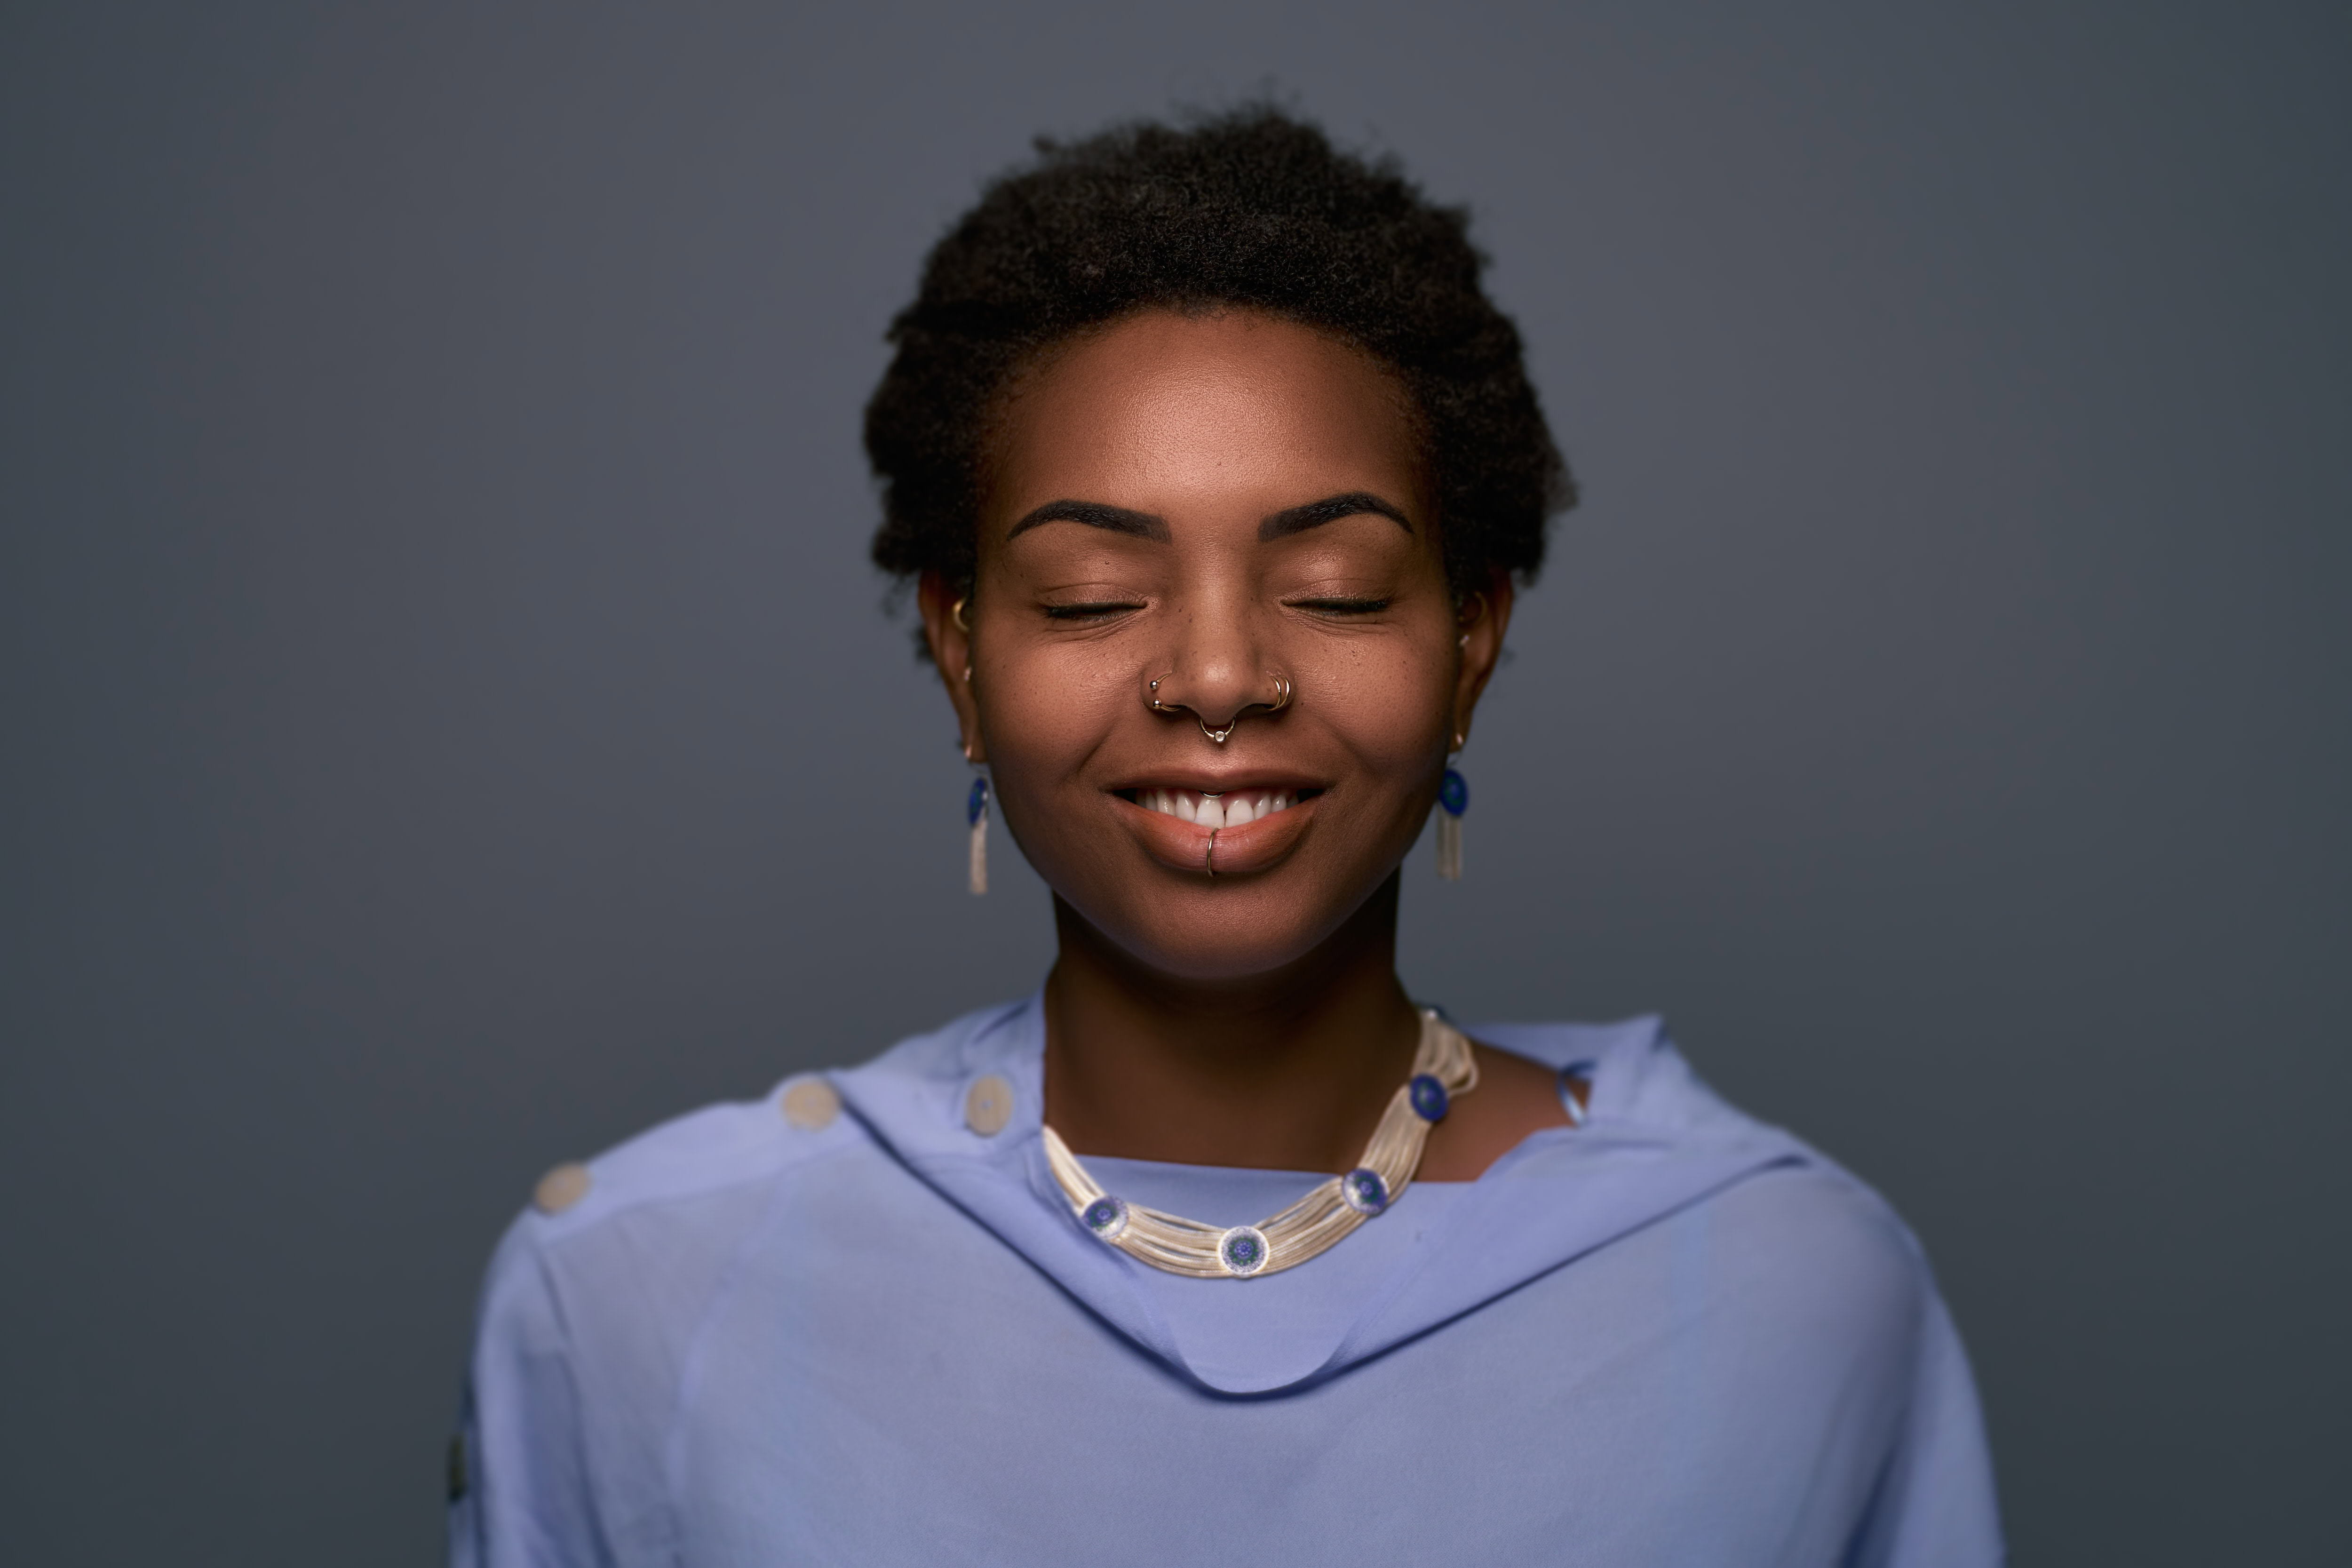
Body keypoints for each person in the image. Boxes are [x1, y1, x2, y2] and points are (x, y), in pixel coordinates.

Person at [450, 108, 2002, 1566]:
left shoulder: (1789, 1289)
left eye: (1333, 591)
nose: (1216, 679)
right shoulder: (641, 1296)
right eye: (1088, 599)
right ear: (961, 651)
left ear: (1472, 640)